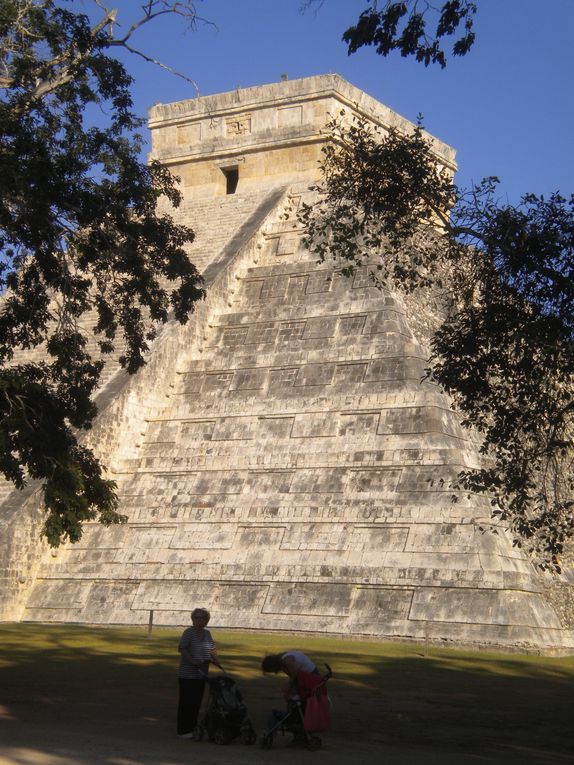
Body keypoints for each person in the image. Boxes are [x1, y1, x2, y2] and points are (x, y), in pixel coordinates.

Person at [177, 607, 220, 739]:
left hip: (201, 675)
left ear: (207, 620)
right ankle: (183, 730)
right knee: (186, 702)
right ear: (193, 619)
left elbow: (212, 649)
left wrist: (216, 660)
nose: (199, 620)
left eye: (202, 618)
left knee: (196, 702)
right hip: (187, 674)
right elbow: (182, 649)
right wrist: (193, 662)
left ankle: (193, 727)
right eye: (197, 617)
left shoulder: (207, 633)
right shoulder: (188, 633)